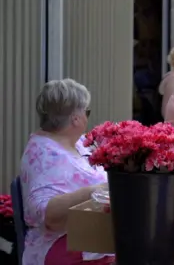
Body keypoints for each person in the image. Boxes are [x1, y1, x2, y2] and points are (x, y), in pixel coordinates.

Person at [20, 79, 114, 265]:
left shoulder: (76, 141)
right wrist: (93, 192)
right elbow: (47, 214)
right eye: (87, 112)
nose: (88, 118)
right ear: (76, 119)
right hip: (65, 245)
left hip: (96, 238)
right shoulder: (44, 155)